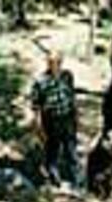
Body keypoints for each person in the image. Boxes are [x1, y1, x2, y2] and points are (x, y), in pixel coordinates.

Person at [30, 50, 84, 191]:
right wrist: (37, 126)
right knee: (52, 151)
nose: (55, 65)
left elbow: (72, 97)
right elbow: (35, 106)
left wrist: (77, 117)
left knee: (71, 150)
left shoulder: (67, 76)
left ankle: (77, 183)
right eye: (52, 62)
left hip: (67, 118)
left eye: (58, 61)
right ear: (47, 63)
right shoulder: (40, 81)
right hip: (51, 120)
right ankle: (54, 181)